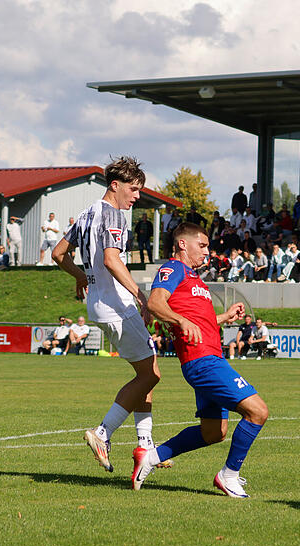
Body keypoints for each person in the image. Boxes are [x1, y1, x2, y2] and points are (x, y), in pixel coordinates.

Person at [135, 221, 269, 497]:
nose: (206, 251)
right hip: (203, 362)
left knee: (213, 432)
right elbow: (155, 303)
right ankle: (228, 475)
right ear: (183, 244)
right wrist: (180, 321)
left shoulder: (196, 281)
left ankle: (149, 458)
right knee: (258, 412)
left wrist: (224, 317)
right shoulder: (172, 269)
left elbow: (200, 323)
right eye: (202, 245)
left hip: (209, 358)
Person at [52, 156, 164, 473]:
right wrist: (141, 296)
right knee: (150, 373)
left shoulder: (87, 214)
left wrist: (79, 277)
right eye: (134, 188)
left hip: (98, 305)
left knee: (147, 369)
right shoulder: (113, 215)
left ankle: (145, 444)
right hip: (117, 304)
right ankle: (103, 433)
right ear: (115, 185)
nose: (138, 196)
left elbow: (58, 254)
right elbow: (112, 261)